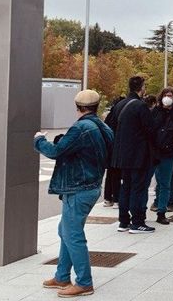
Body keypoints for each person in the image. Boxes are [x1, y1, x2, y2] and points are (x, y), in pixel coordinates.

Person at [34, 89, 113, 297]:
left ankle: (84, 282)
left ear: (77, 107)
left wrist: (39, 140)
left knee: (73, 234)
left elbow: (55, 152)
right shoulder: (102, 126)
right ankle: (61, 276)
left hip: (79, 187)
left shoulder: (81, 128)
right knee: (65, 230)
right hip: (92, 184)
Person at [107, 76, 155, 234]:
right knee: (138, 188)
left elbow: (110, 126)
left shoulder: (119, 105)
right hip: (138, 155)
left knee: (125, 187)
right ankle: (137, 222)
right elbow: (150, 129)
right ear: (141, 88)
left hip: (121, 155)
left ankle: (123, 221)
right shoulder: (140, 106)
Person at [149, 88, 173, 225]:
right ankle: (145, 209)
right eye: (165, 95)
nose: (167, 98)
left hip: (168, 151)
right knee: (150, 181)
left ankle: (161, 211)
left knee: (165, 183)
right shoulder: (155, 112)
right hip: (153, 152)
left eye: (170, 95)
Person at [101, 95, 126, 208]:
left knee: (110, 174)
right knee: (117, 173)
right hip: (118, 147)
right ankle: (116, 199)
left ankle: (107, 198)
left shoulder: (110, 116)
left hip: (109, 147)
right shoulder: (121, 116)